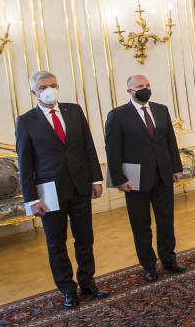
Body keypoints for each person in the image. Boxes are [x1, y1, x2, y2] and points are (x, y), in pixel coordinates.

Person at [15, 70, 108, 308]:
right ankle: (67, 289)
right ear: (33, 92)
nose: (49, 90)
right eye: (43, 87)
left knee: (85, 237)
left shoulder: (74, 110)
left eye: (53, 85)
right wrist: (31, 199)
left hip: (80, 185)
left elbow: (88, 147)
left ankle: (88, 282)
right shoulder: (26, 121)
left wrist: (96, 180)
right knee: (56, 242)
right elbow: (25, 163)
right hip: (49, 191)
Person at [104, 74, 185, 283]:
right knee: (141, 225)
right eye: (140, 86)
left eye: (148, 85)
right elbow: (113, 151)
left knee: (166, 220)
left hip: (163, 175)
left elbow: (170, 142)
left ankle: (169, 259)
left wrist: (176, 167)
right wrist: (119, 178)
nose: (145, 88)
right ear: (130, 91)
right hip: (135, 179)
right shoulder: (118, 115)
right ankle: (149, 266)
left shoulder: (161, 109)